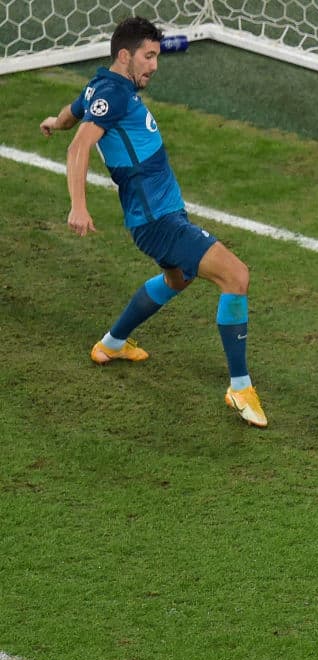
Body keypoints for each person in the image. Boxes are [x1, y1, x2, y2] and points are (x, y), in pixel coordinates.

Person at [39, 16, 266, 428]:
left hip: (161, 215)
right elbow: (79, 145)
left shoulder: (102, 86)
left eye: (156, 56)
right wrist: (78, 205)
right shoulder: (113, 94)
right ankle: (239, 387)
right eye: (148, 56)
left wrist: (54, 122)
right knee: (237, 277)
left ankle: (111, 344)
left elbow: (72, 117)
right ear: (124, 55)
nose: (154, 65)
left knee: (179, 279)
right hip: (158, 222)